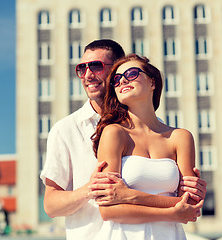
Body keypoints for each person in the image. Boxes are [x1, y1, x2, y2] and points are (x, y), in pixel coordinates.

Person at [40, 40, 206, 240]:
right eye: (81, 68)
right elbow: (51, 205)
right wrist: (89, 190)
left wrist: (191, 193)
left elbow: (186, 203)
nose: (88, 75)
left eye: (96, 66)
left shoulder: (168, 133)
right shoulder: (66, 129)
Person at [91, 53, 203, 239]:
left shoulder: (180, 137)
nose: (122, 80)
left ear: (152, 83)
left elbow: (189, 207)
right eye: (116, 79)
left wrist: (130, 196)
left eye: (132, 73)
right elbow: (108, 211)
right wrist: (171, 211)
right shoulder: (114, 133)